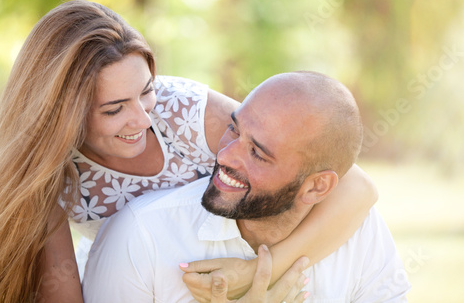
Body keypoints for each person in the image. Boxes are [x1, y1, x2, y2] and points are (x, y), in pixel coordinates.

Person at [0, 0, 376, 303]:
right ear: (60, 114)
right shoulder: (47, 176)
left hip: (234, 263)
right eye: (113, 109)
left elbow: (356, 187)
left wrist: (258, 273)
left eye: (145, 92)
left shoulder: (183, 111)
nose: (143, 119)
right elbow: (61, 291)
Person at [83, 71, 411, 302]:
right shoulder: (141, 236)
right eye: (233, 129)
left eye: (257, 153)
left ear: (316, 188)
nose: (224, 155)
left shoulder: (360, 232)